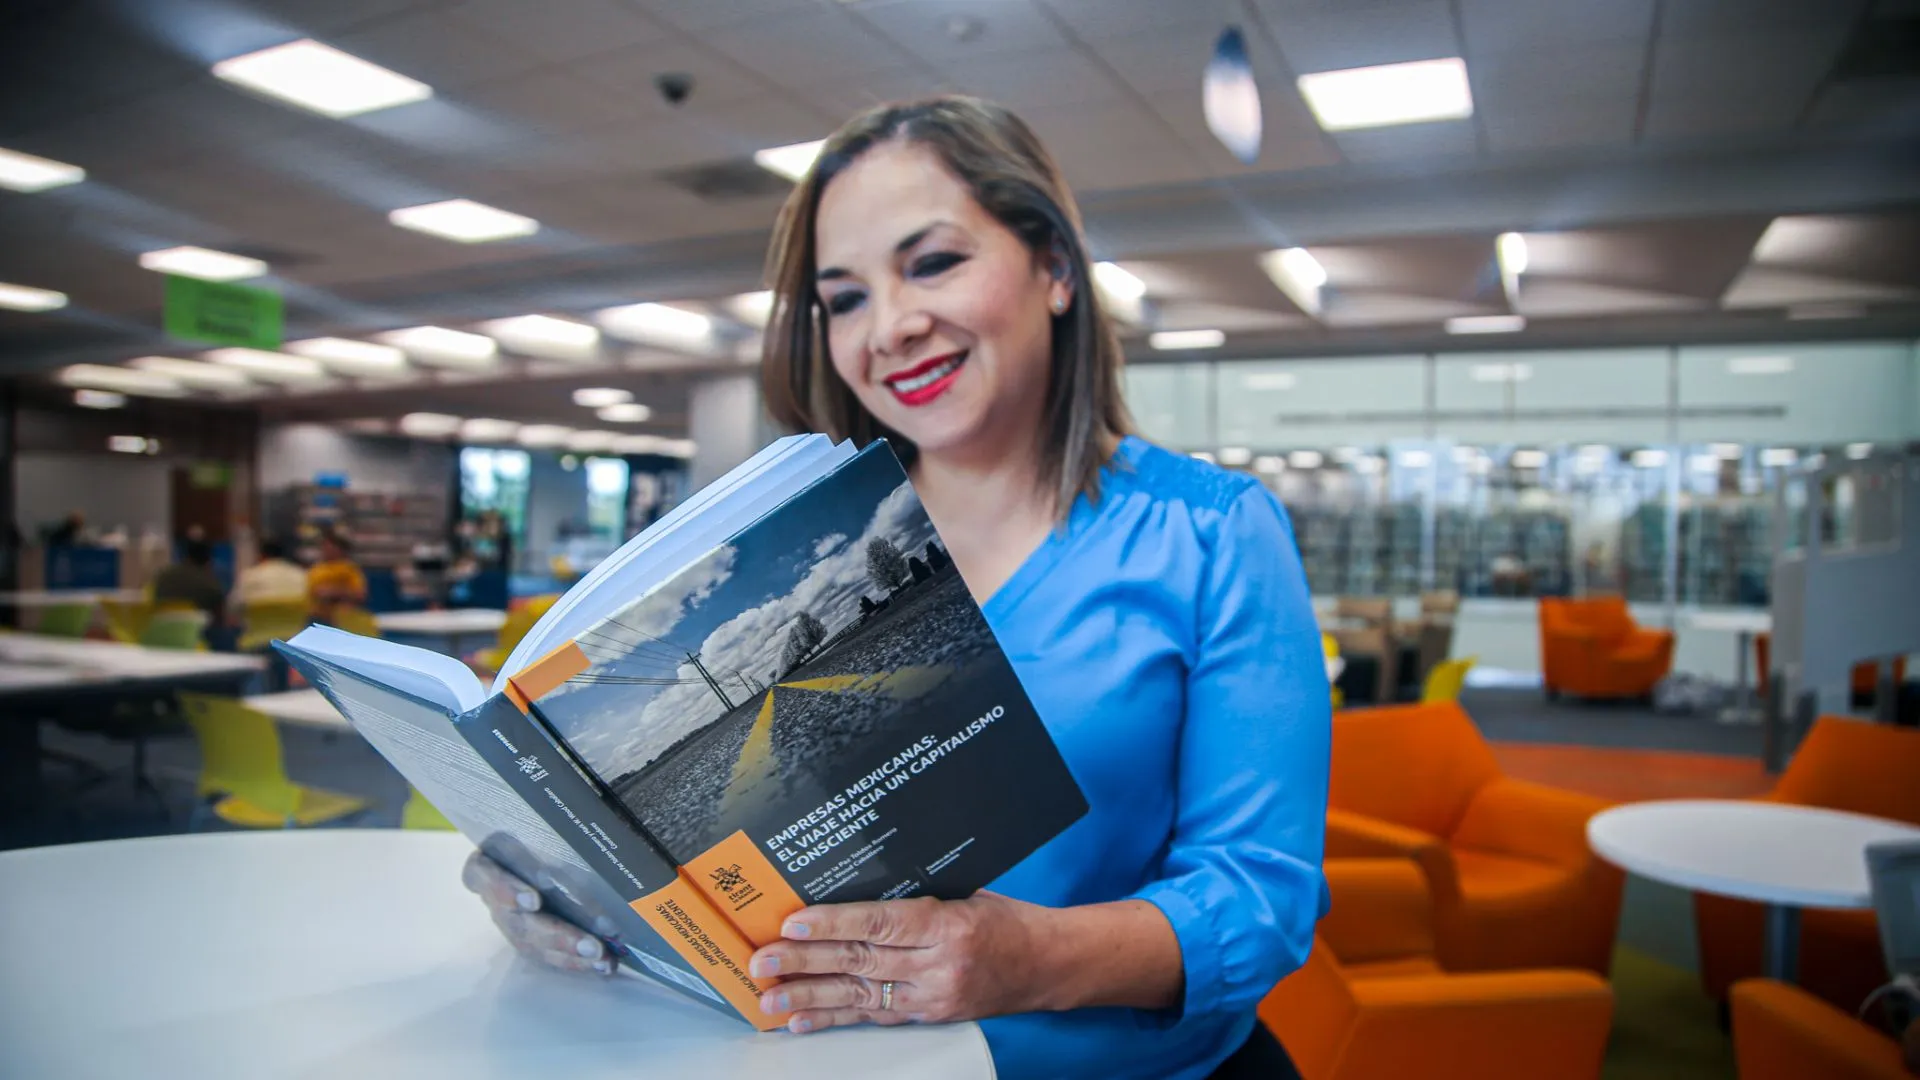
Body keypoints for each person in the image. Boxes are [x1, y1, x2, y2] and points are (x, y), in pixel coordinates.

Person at [461, 96, 1331, 1080]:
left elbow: (1262, 903)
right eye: (845, 299)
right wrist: (569, 887)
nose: (891, 328)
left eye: (934, 262)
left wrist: (1028, 960)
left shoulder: (1210, 532)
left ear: (1054, 268)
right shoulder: (813, 544)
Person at [150, 538, 226, 630]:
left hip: (160, 632)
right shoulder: (210, 584)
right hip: (194, 635)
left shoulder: (164, 577)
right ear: (208, 561)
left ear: (186, 556)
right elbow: (220, 618)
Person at [306, 530, 367, 625]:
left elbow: (359, 594)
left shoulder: (349, 569)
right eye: (324, 546)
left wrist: (333, 591)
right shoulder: (316, 568)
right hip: (315, 615)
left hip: (340, 617)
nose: (325, 549)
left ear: (340, 549)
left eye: (329, 547)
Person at [230, 539, 307, 613]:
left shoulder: (250, 576)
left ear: (262, 556)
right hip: (295, 621)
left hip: (258, 621)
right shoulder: (300, 575)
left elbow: (233, 605)